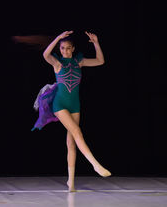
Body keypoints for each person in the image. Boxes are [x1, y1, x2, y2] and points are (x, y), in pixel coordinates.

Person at [32, 30, 111, 192]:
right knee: (77, 131)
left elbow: (100, 61)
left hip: (75, 105)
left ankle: (71, 182)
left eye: (68, 48)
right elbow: (46, 54)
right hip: (60, 104)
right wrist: (58, 38)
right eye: (62, 48)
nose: (65, 51)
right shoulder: (57, 64)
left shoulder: (78, 62)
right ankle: (95, 164)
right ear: (59, 49)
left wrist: (96, 43)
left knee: (71, 143)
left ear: (73, 49)